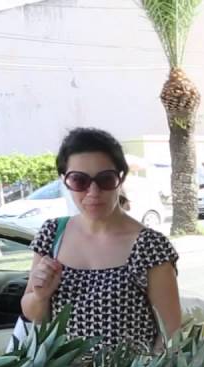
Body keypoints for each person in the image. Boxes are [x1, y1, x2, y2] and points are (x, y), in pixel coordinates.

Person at [21, 127, 181, 350]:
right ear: (64, 180)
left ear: (121, 178)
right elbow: (33, 315)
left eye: (105, 179)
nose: (93, 192)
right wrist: (40, 295)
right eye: (79, 180)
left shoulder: (150, 246)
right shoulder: (52, 234)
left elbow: (170, 332)